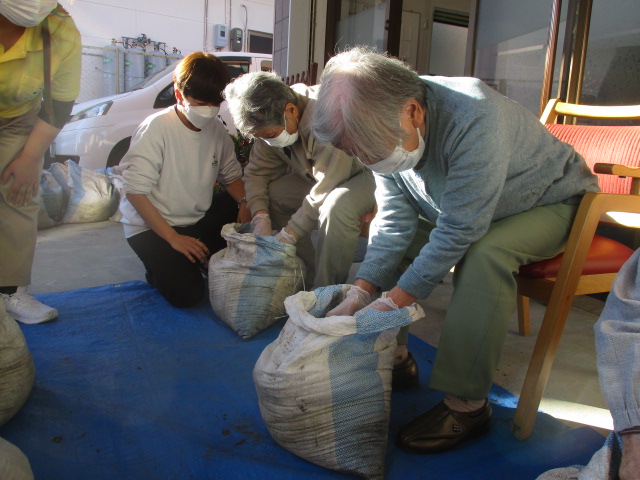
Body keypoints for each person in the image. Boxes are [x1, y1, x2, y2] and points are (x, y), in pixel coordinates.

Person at [312, 47, 599, 454]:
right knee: (405, 243)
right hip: (474, 207)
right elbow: (395, 222)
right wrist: (362, 290)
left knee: (486, 252)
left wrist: (393, 301)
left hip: (553, 202)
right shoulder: (386, 127)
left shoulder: (475, 116)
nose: (370, 162)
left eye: (373, 154)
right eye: (360, 156)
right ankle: (394, 356)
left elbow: (460, 230)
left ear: (413, 112)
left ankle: (468, 405)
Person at [119, 52, 250, 308]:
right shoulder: (156, 128)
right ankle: (160, 267)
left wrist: (246, 203)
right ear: (179, 94)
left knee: (241, 202)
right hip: (151, 228)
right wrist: (173, 238)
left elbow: (232, 177)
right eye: (201, 102)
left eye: (215, 103)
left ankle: (197, 254)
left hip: (195, 220)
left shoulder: (217, 131)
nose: (209, 110)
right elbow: (135, 192)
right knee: (188, 296)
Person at [222, 71, 375, 289]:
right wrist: (260, 216)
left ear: (291, 111)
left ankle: (326, 291)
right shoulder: (271, 121)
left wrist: (289, 233)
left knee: (336, 207)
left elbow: (327, 187)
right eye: (262, 138)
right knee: (276, 196)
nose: (268, 141)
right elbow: (257, 173)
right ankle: (305, 277)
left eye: (270, 135)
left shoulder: (327, 117)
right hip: (323, 176)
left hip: (369, 172)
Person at [0, 0, 81, 324]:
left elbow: (58, 105)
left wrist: (30, 158)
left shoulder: (60, 30)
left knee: (19, 194)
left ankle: (12, 293)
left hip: (19, 120)